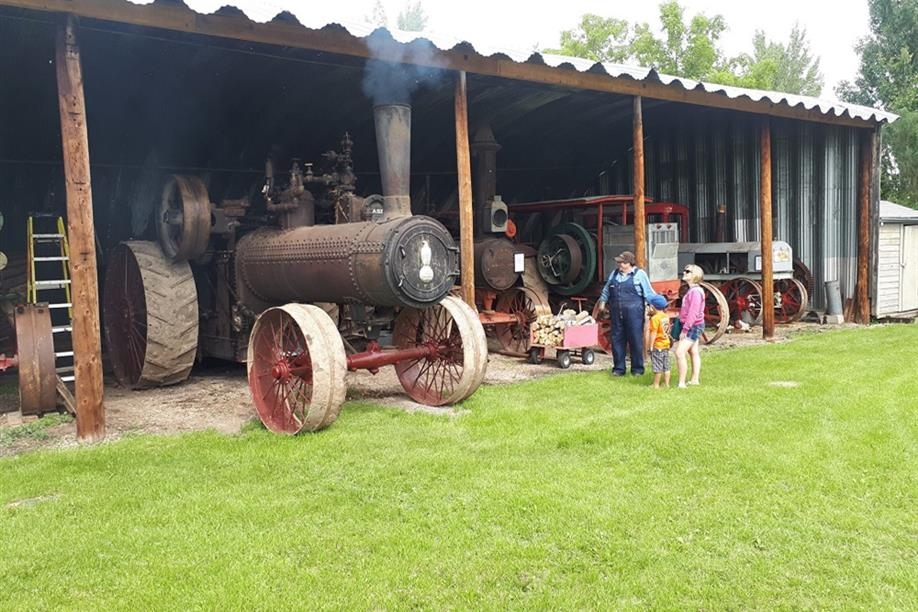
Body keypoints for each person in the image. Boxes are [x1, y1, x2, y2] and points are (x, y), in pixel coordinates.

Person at [593, 250, 659, 376]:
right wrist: (602, 305)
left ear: (629, 263)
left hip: (635, 314)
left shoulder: (640, 275)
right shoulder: (614, 274)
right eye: (619, 262)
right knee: (617, 340)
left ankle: (637, 369)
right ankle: (618, 369)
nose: (620, 265)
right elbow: (606, 291)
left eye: (622, 263)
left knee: (635, 341)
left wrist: (654, 307)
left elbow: (649, 293)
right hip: (616, 313)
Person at [676, 264, 705, 388]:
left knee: (679, 352)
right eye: (684, 270)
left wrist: (685, 329)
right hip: (695, 325)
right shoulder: (694, 290)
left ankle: (682, 383)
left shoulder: (695, 292)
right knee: (693, 352)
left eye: (688, 271)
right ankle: (694, 380)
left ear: (695, 275)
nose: (684, 272)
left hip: (693, 326)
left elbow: (693, 313)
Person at [646, 294, 671, 388]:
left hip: (658, 345)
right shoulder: (666, 316)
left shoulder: (654, 318)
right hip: (666, 344)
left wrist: (651, 346)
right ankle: (666, 384)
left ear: (652, 307)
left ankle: (655, 385)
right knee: (666, 366)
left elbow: (653, 333)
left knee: (657, 366)